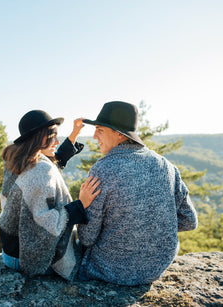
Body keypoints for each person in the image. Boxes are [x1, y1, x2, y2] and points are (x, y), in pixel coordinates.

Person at [77, 101, 198, 286]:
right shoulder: (167, 165)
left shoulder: (102, 170)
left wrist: (81, 206)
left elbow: (87, 238)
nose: (94, 136)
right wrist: (149, 230)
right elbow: (189, 221)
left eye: (100, 130)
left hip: (109, 269)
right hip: (156, 268)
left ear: (119, 134)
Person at [0, 110, 100, 281]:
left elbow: (53, 161)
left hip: (10, 252)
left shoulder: (17, 158)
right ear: (38, 138)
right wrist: (80, 204)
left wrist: (74, 134)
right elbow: (47, 225)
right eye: (52, 136)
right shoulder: (40, 171)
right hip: (23, 258)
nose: (57, 141)